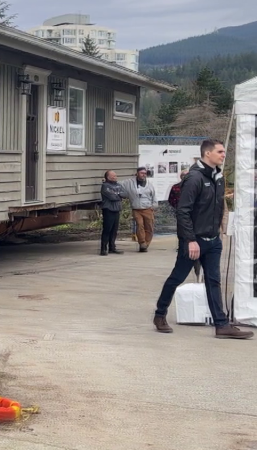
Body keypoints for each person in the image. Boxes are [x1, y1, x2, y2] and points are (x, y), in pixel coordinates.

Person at [152, 139, 254, 339]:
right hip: (194, 241)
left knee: (213, 281)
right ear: (208, 154)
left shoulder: (218, 177)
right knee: (177, 278)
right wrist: (190, 240)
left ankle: (221, 325)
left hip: (213, 240)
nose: (223, 154)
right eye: (220, 151)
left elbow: (218, 208)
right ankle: (160, 314)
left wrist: (221, 231)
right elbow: (183, 211)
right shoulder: (194, 178)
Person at [121, 167, 156, 252]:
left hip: (147, 208)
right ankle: (142, 242)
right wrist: (107, 182)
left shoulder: (149, 184)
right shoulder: (130, 182)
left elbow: (154, 195)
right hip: (136, 208)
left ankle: (146, 244)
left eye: (145, 173)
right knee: (140, 225)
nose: (144, 175)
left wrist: (154, 205)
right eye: (142, 173)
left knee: (149, 227)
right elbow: (118, 184)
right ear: (137, 173)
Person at [100, 170, 128, 255]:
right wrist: (118, 195)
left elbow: (125, 194)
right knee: (107, 230)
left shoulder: (118, 185)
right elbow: (112, 197)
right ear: (108, 177)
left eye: (116, 176)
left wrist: (118, 194)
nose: (115, 177)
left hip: (117, 209)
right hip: (108, 210)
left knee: (114, 230)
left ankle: (112, 248)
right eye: (113, 176)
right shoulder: (105, 186)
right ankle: (103, 249)